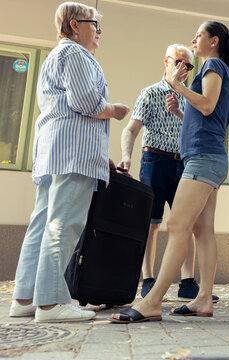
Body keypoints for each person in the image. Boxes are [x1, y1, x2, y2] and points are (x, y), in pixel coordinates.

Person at [110, 20, 229, 323]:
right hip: (212, 157)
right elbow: (207, 116)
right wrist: (179, 110)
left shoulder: (212, 65)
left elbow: (207, 106)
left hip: (202, 159)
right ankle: (203, 299)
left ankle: (152, 301)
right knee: (202, 230)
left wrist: (176, 85)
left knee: (177, 226)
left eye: (199, 36)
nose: (194, 40)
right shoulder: (219, 69)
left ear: (214, 41)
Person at [9, 1, 130, 322]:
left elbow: (65, 107)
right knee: (65, 223)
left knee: (43, 223)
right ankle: (50, 303)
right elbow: (85, 102)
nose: (99, 31)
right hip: (73, 153)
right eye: (94, 24)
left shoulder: (56, 55)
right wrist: (114, 110)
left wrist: (99, 154)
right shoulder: (76, 54)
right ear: (75, 25)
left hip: (56, 151)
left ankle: (26, 298)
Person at [118, 44, 218, 303]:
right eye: (179, 62)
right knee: (151, 223)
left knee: (189, 223)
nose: (183, 68)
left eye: (188, 64)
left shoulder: (191, 94)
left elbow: (195, 129)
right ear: (166, 61)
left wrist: (178, 110)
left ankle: (187, 282)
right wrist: (127, 157)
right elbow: (131, 129)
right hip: (155, 160)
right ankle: (148, 279)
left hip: (184, 164)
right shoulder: (150, 93)